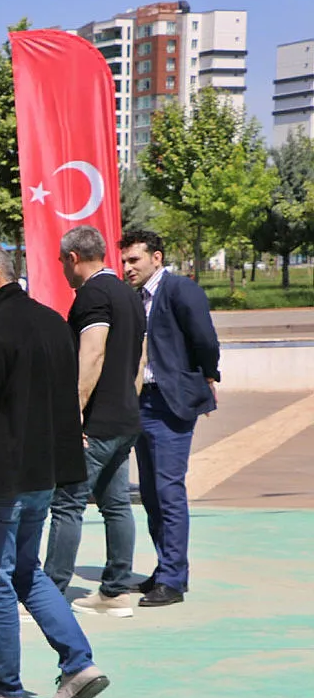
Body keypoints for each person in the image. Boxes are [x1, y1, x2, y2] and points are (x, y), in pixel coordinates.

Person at [0, 243, 108, 698]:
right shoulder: (52, 322)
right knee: (23, 571)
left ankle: (4, 685)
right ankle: (78, 663)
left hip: (0, 478)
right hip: (42, 475)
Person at [45, 226, 146, 616]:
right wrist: (129, 404)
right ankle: (115, 590)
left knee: (67, 502)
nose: (62, 270)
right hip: (124, 417)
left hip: (97, 421)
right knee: (116, 503)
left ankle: (50, 591)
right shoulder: (128, 294)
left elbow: (92, 354)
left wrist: (74, 416)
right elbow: (139, 359)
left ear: (73, 258)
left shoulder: (94, 295)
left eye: (61, 262)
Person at [119, 228, 220, 608]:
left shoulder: (179, 290)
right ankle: (166, 569)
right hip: (142, 404)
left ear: (156, 258)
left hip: (171, 405)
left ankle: (174, 579)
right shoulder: (136, 298)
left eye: (135, 260)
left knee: (168, 491)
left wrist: (208, 375)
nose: (128, 268)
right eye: (124, 261)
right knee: (150, 494)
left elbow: (205, 339)